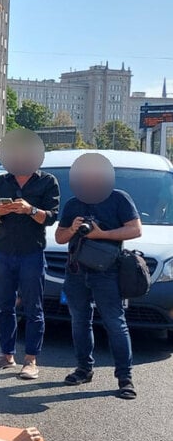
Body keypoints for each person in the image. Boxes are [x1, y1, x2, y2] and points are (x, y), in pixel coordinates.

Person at [55, 153, 141, 400]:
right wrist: (73, 229)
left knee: (115, 322)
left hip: (107, 272)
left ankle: (125, 378)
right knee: (79, 321)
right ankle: (84, 369)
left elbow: (135, 229)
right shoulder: (73, 203)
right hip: (76, 271)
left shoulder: (118, 198)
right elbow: (61, 237)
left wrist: (101, 234)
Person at [0, 130, 60, 380]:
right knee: (4, 307)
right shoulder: (1, 182)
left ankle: (31, 360)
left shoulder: (47, 181)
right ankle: (6, 355)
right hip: (3, 251)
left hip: (31, 253)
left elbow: (50, 217)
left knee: (34, 308)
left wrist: (30, 209)